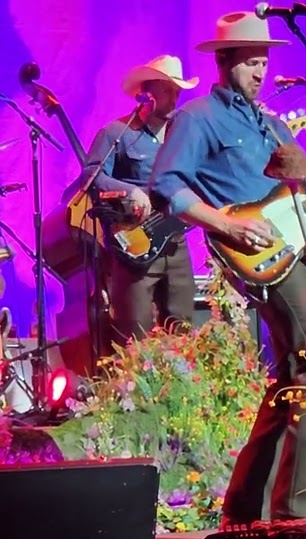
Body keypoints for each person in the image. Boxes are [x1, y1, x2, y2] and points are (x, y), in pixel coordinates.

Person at [150, 11, 306, 529]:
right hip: (253, 253)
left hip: (295, 249)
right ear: (225, 61)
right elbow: (167, 186)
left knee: (292, 372)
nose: (260, 70)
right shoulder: (199, 117)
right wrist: (225, 226)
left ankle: (245, 508)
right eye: (251, 61)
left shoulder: (272, 124)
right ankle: (298, 513)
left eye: (264, 60)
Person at [78, 56, 199, 345]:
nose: (175, 97)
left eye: (178, 91)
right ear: (147, 93)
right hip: (134, 240)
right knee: (134, 336)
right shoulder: (116, 133)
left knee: (183, 329)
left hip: (175, 242)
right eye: (168, 89)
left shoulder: (182, 135)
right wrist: (129, 191)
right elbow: (91, 176)